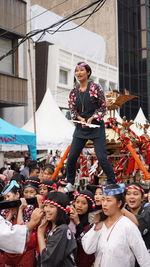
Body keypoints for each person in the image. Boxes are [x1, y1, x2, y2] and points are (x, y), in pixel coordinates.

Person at [65, 62, 115, 192]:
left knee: (102, 157)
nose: (78, 73)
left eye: (81, 70)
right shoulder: (73, 92)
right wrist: (80, 119)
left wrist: (93, 117)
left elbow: (103, 106)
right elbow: (72, 109)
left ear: (88, 72)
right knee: (71, 158)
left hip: (96, 126)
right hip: (81, 127)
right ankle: (70, 183)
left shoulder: (95, 87)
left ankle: (112, 182)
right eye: (77, 71)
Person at [82, 184, 150, 267]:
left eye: (108, 200)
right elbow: (88, 249)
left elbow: (144, 259)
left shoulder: (128, 226)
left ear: (119, 203)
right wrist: (96, 228)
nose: (104, 204)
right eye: (103, 200)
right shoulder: (100, 224)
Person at [37, 191, 77, 267]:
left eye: (51, 206)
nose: (47, 209)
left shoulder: (62, 230)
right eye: (46, 205)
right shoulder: (52, 227)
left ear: (61, 210)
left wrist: (40, 233)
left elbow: (48, 262)